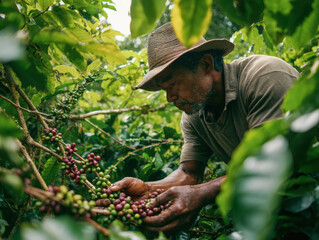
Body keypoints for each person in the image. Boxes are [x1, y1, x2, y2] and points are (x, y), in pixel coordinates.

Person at [109, 22, 299, 232]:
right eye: (164, 89)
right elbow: (189, 173)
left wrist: (201, 193)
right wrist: (148, 188)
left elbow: (273, 164)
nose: (170, 97)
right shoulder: (194, 115)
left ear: (206, 65)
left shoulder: (264, 77)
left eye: (172, 84)